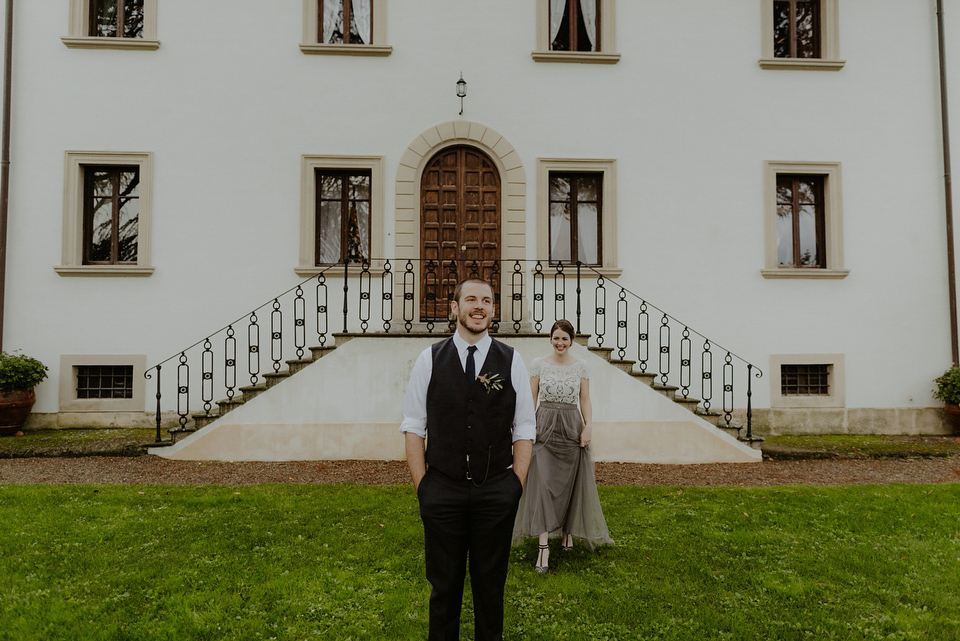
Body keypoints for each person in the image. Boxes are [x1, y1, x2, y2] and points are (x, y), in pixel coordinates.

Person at [400, 278, 536, 641]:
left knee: (490, 592)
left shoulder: (512, 359)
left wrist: (515, 486)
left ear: (494, 310)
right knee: (443, 591)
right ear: (454, 308)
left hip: (496, 491)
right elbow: (414, 426)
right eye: (471, 299)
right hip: (442, 490)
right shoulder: (429, 359)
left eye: (487, 300)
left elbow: (524, 427)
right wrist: (423, 487)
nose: (479, 306)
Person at [513, 319, 613, 572]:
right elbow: (530, 398)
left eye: (565, 339)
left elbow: (585, 398)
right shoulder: (538, 364)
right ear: (551, 339)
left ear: (572, 341)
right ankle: (544, 547)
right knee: (543, 484)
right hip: (544, 426)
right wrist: (525, 428)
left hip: (571, 425)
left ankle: (568, 531)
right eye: (556, 338)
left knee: (569, 482)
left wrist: (588, 425)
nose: (560, 343)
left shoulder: (581, 366)